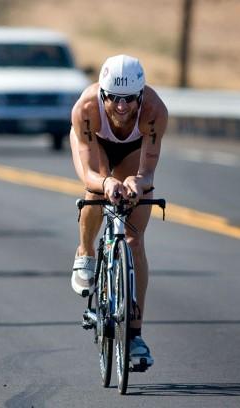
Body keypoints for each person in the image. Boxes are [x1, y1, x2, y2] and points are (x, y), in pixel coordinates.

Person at [69, 54, 168, 368]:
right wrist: (107, 182)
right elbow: (88, 173)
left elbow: (148, 169)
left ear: (140, 94)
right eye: (112, 97)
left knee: (134, 240)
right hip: (95, 145)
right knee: (97, 190)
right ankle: (85, 252)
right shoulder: (86, 109)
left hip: (133, 150)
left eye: (128, 99)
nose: (121, 106)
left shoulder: (154, 111)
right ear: (102, 93)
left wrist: (138, 183)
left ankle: (135, 334)